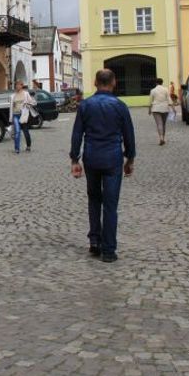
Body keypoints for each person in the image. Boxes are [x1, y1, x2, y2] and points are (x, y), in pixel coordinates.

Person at [69, 69, 136, 263]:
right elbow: (129, 136)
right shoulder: (120, 106)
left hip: (92, 157)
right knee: (110, 204)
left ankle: (95, 241)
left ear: (95, 82)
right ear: (114, 82)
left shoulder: (85, 105)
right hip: (112, 158)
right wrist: (129, 159)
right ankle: (109, 250)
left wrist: (75, 159)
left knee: (94, 199)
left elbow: (77, 134)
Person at [11, 80, 34, 153]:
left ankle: (28, 145)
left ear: (22, 85)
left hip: (23, 115)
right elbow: (11, 107)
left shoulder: (26, 94)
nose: (17, 86)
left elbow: (33, 102)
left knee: (25, 131)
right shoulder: (13, 96)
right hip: (15, 115)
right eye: (16, 85)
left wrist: (27, 104)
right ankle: (17, 148)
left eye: (18, 85)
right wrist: (10, 117)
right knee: (17, 131)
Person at [148, 77, 171, 145]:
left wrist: (149, 109)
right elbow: (168, 99)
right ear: (162, 82)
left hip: (156, 109)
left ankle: (161, 138)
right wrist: (172, 108)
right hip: (165, 108)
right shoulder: (166, 89)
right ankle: (163, 138)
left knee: (159, 124)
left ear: (156, 83)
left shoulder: (153, 90)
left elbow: (150, 101)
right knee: (163, 124)